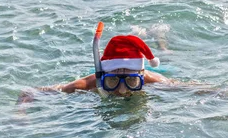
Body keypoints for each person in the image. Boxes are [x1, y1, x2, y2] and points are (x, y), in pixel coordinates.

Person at [17, 25, 172, 104]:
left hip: (142, 67)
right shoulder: (90, 83)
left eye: (132, 81)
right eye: (113, 81)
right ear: (102, 76)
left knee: (165, 55)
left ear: (141, 77)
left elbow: (191, 87)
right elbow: (29, 91)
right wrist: (20, 113)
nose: (123, 90)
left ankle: (158, 37)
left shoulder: (152, 79)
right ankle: (140, 33)